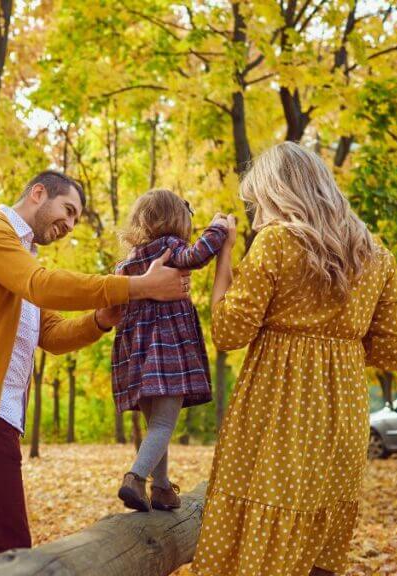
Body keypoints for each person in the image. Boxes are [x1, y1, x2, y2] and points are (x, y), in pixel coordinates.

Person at [0, 170, 191, 575]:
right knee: (5, 549)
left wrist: (100, 319)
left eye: (75, 220)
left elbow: (52, 334)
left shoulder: (21, 259)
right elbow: (41, 285)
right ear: (38, 193)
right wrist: (134, 287)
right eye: (67, 210)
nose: (68, 225)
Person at [192, 142, 397, 576]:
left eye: (258, 202)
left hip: (278, 409)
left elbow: (228, 332)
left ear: (279, 191)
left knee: (263, 523)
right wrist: (337, 347)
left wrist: (225, 257)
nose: (258, 213)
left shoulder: (275, 243)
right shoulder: (377, 255)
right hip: (343, 412)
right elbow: (390, 348)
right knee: (320, 534)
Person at [111, 189, 230, 512]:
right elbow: (197, 256)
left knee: (157, 426)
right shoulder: (169, 247)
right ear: (177, 219)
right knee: (164, 425)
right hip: (167, 351)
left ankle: (162, 489)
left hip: (136, 356)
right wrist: (219, 228)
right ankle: (135, 477)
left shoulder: (130, 260)